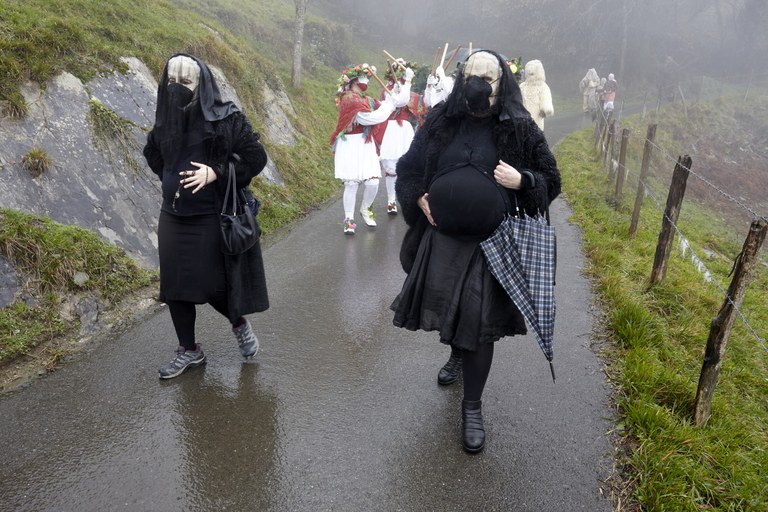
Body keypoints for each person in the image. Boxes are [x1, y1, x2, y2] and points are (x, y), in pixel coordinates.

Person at [391, 50, 561, 453]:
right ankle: (456, 355)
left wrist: (523, 180)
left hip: (492, 245)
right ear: (462, 78)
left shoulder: (520, 128)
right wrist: (416, 198)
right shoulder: (439, 121)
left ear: (501, 82)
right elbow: (409, 167)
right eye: (471, 76)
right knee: (454, 311)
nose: (478, 84)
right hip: (442, 239)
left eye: (486, 77)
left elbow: (551, 179)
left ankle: (472, 407)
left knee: (478, 322)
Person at [143, 54, 269, 379]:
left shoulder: (227, 118)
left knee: (212, 286)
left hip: (209, 216)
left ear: (201, 84)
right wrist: (171, 177)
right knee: (174, 287)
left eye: (184, 82)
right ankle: (190, 351)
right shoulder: (165, 120)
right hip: (172, 216)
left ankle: (238, 322)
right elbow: (152, 153)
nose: (176, 88)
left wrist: (216, 173)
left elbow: (256, 158)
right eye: (171, 81)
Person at [330, 63, 409, 234]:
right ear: (352, 81)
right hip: (350, 144)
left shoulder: (368, 100)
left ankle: (365, 209)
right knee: (351, 184)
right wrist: (390, 106)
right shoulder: (348, 98)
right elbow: (370, 118)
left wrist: (400, 89)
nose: (365, 80)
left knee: (373, 182)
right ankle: (349, 219)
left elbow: (396, 103)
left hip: (365, 144)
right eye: (362, 77)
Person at [379, 59, 417, 215]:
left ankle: (404, 198)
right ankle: (390, 201)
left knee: (406, 165)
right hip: (391, 128)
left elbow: (414, 103)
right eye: (399, 73)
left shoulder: (406, 89)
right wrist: (407, 82)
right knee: (391, 167)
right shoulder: (388, 89)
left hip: (404, 129)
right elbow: (401, 101)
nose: (400, 76)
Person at [519, 59, 554, 131]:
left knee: (535, 135)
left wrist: (546, 110)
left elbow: (546, 99)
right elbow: (517, 99)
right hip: (522, 118)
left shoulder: (543, 87)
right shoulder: (522, 86)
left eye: (532, 73)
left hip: (537, 119)